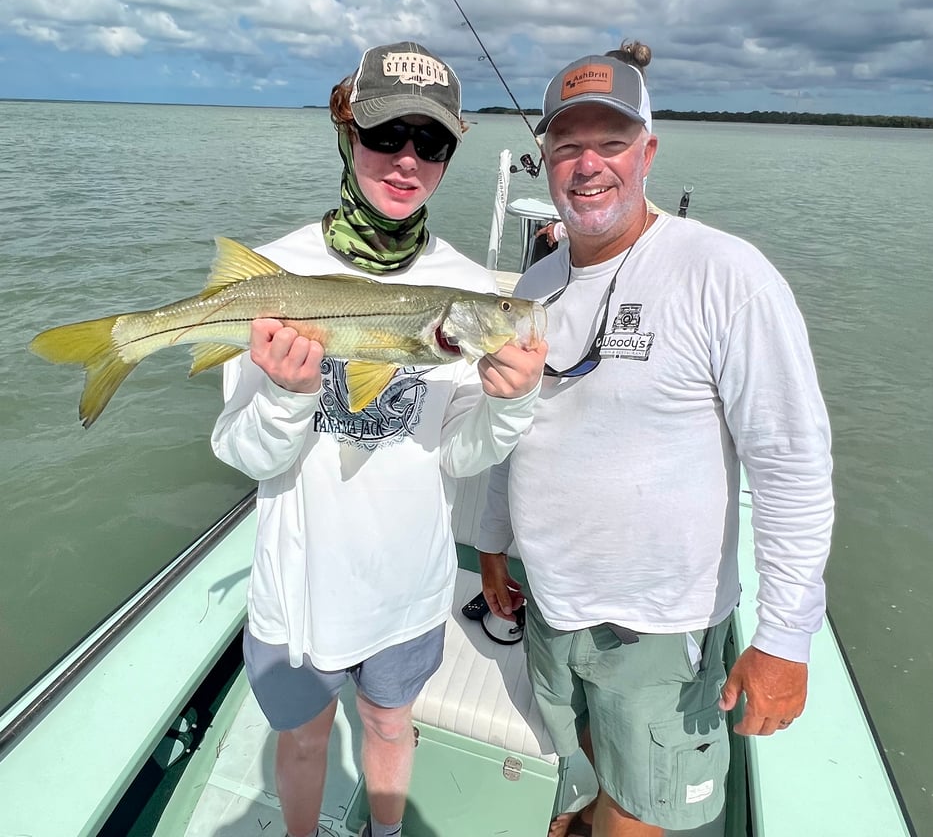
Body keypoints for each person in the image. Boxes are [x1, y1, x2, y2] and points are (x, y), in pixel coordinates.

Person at [478, 41, 834, 837]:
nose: (587, 165)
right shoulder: (534, 282)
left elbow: (791, 467)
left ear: (648, 151)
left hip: (656, 626)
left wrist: (783, 638)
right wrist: (493, 543)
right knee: (576, 774)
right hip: (550, 606)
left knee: (640, 812)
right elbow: (521, 425)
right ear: (544, 160)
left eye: (610, 143)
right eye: (566, 146)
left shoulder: (724, 273)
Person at [211, 41, 547, 837]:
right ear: (344, 131)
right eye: (383, 134)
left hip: (407, 587)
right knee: (302, 741)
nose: (405, 161)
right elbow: (246, 455)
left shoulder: (464, 289)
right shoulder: (273, 274)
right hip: (297, 596)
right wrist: (291, 398)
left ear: (450, 151)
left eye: (428, 142)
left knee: (392, 725)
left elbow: (460, 457)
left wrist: (509, 407)